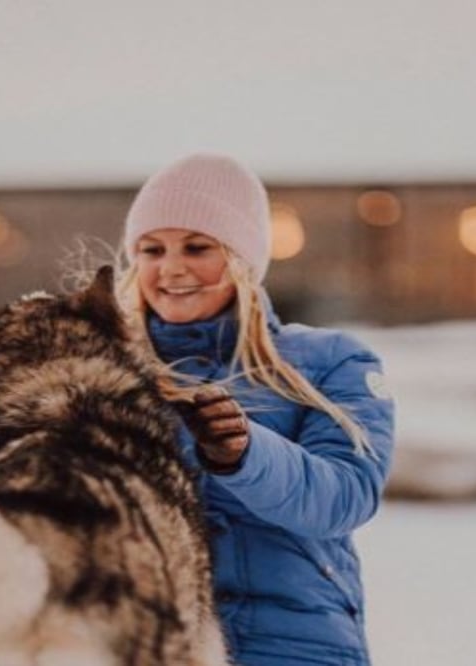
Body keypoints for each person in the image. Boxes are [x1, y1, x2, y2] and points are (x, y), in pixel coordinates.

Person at [116, 154, 395, 665]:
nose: (171, 268)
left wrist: (244, 454)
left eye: (197, 247)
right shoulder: (107, 374)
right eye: (151, 250)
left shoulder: (329, 361)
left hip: (290, 643)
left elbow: (345, 495)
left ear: (243, 258)